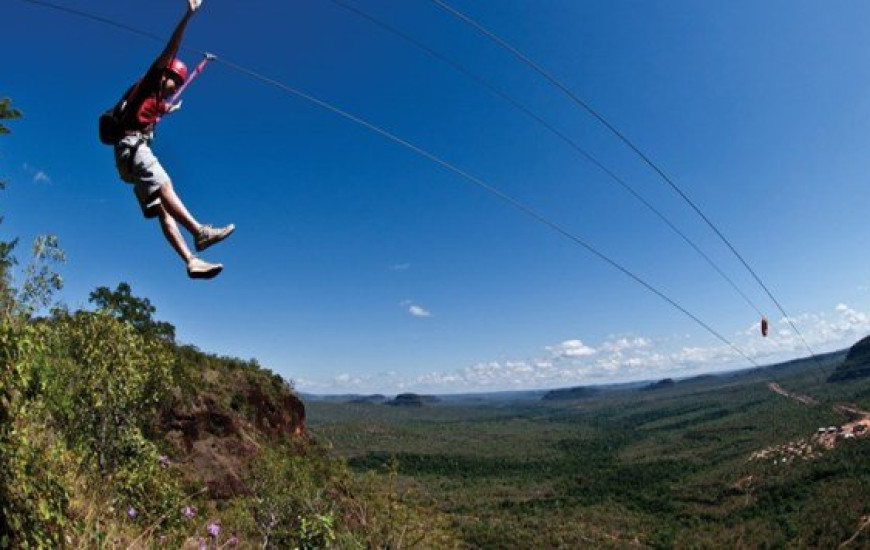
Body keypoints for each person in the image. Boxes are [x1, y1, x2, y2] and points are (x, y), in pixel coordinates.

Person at [113, 0, 233, 279]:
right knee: (165, 184)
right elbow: (171, 47)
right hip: (133, 147)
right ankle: (199, 232)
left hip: (124, 161)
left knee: (163, 211)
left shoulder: (157, 103)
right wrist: (187, 16)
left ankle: (190, 260)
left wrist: (173, 104)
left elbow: (168, 102)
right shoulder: (148, 85)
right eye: (174, 82)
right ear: (164, 75)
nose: (175, 88)